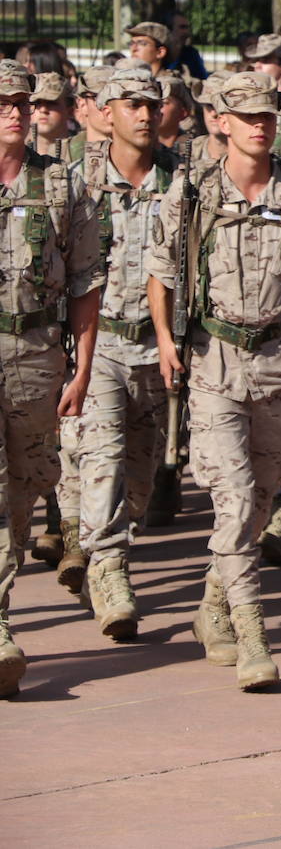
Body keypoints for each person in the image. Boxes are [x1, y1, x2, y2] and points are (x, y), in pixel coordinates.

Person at [148, 71, 281, 691]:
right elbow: (162, 271)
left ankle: (212, 602)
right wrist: (168, 340)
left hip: (278, 361)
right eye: (247, 117)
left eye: (268, 117)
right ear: (220, 122)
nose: (260, 126)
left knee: (263, 492)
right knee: (234, 496)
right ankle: (254, 635)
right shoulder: (192, 191)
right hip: (213, 362)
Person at [0, 67, 104, 697]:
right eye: (3, 102)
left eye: (22, 102)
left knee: (29, 482)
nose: (15, 112)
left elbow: (86, 282)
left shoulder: (61, 185)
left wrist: (83, 365)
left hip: (38, 352)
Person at [76, 67, 179, 641]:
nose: (144, 114)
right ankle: (109, 569)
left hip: (157, 348)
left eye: (152, 104)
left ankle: (113, 542)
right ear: (106, 111)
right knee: (104, 459)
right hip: (103, 343)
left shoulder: (185, 182)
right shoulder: (78, 182)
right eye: (132, 104)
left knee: (140, 476)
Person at [164, 13, 208, 80]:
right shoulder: (158, 52)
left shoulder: (191, 53)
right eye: (182, 27)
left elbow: (203, 79)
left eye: (187, 27)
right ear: (169, 29)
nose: (187, 32)